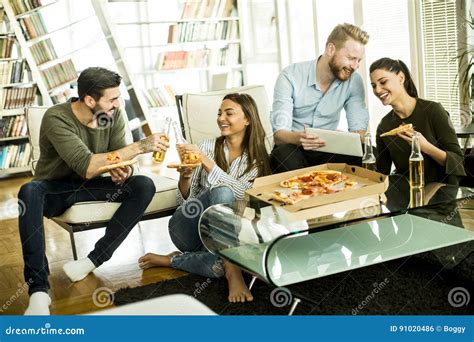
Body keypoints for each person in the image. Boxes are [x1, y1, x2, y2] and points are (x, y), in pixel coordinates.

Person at [18, 67, 170, 315]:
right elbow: (87, 165)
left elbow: (121, 158)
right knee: (29, 191)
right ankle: (38, 291)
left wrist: (123, 172)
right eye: (112, 99)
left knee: (143, 185)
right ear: (90, 100)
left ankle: (92, 261)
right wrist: (141, 145)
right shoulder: (57, 118)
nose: (118, 104)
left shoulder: (109, 116)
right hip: (56, 188)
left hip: (91, 186)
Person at [138, 93, 271, 303]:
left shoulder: (259, 159)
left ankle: (175, 260)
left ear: (247, 119)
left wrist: (206, 162)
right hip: (188, 230)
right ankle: (233, 272)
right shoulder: (205, 146)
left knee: (214, 266)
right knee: (221, 193)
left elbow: (244, 197)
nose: (221, 118)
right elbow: (184, 203)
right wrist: (185, 178)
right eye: (219, 113)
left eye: (229, 113)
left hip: (224, 238)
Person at [270, 23, 370, 173]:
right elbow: (279, 135)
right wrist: (301, 139)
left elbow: (359, 134)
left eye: (359, 60)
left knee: (368, 153)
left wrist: (348, 138)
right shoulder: (290, 76)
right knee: (282, 155)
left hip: (328, 149)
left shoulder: (354, 81)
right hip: (294, 147)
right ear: (331, 49)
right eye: (351, 58)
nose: (355, 66)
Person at [370, 57, 466, 185]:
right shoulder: (384, 126)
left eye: (383, 82)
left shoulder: (433, 111)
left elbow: (458, 162)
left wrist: (425, 147)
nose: (377, 90)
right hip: (407, 198)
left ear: (401, 78)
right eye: (374, 85)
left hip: (442, 194)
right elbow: (382, 174)